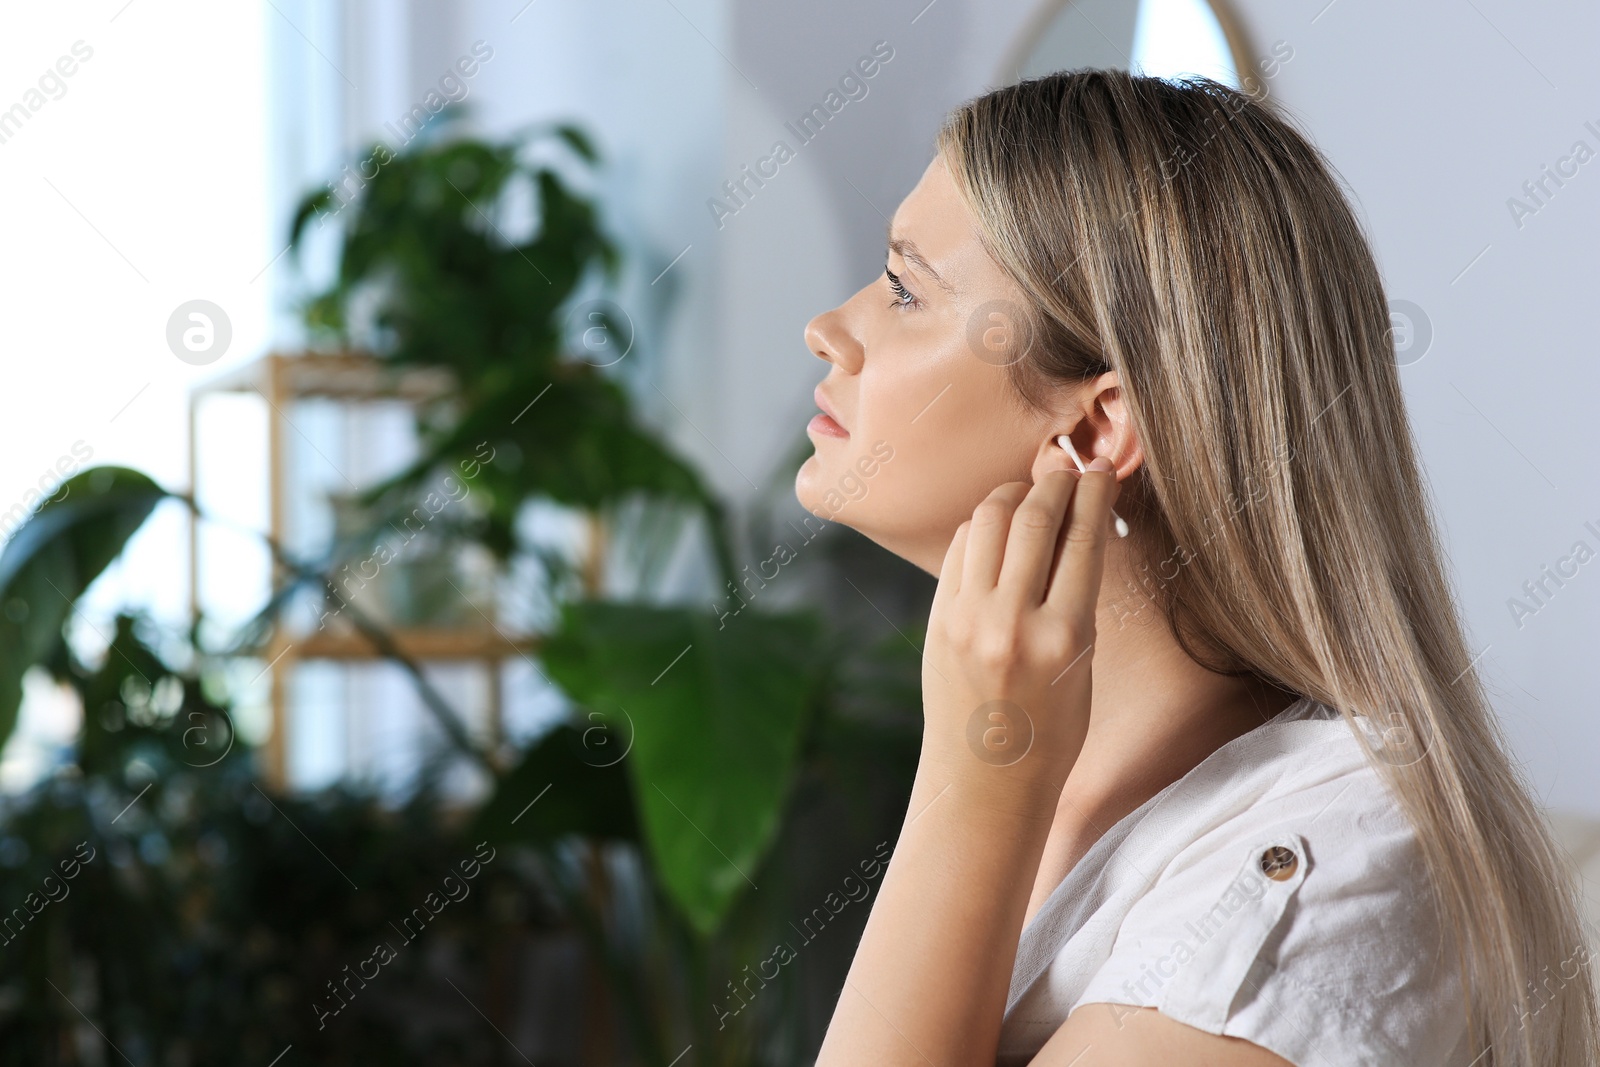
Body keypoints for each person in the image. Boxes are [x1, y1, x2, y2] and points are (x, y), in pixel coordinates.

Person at [794, 69, 1598, 1067]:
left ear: (1094, 426)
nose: (829, 327)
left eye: (905, 286)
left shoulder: (1330, 863)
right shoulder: (1069, 788)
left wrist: (976, 775)